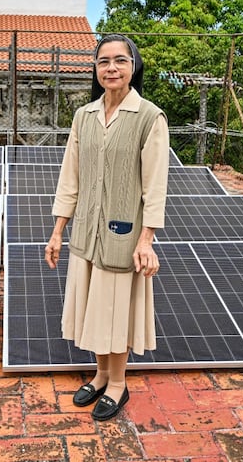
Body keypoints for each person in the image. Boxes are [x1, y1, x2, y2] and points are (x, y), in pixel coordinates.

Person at [44, 34, 169, 421]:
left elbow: (155, 185)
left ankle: (118, 384)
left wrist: (147, 240)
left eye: (120, 60)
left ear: (134, 67)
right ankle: (99, 375)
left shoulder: (150, 116)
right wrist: (58, 230)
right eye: (103, 62)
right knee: (92, 311)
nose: (111, 68)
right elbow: (71, 177)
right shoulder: (84, 117)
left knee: (114, 313)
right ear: (95, 70)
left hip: (123, 235)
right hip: (86, 233)